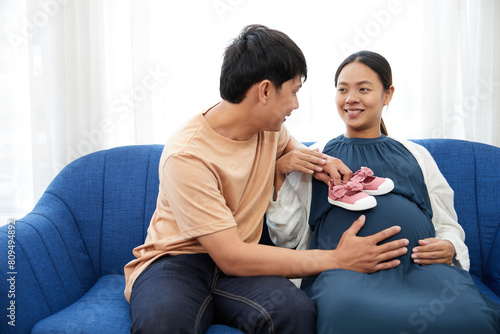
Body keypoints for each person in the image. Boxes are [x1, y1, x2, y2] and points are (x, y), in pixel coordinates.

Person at [123, 27, 410, 334]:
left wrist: (321, 164)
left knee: (294, 311)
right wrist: (336, 258)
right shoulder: (187, 155)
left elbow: (295, 153)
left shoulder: (269, 128)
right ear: (264, 91)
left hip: (242, 262)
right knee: (162, 324)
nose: (296, 105)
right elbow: (231, 256)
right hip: (179, 262)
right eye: (294, 92)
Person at [267, 50, 500, 333]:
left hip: (421, 270)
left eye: (363, 89)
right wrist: (280, 173)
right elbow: (286, 237)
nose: (350, 98)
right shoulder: (317, 156)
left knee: (471, 318)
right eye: (343, 89)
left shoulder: (417, 155)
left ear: (387, 94)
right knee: (346, 315)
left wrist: (450, 247)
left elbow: (446, 222)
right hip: (346, 272)